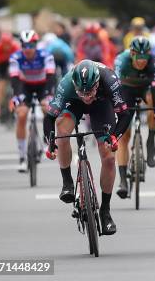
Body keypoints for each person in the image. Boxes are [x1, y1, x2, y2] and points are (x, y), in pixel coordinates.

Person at [43, 60, 132, 235]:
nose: (86, 96)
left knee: (108, 157)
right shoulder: (67, 83)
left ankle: (105, 211)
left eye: (90, 91)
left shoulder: (110, 80)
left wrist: (114, 137)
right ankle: (67, 182)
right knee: (61, 130)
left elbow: (124, 114)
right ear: (75, 85)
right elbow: (49, 117)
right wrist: (50, 142)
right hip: (73, 104)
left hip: (102, 105)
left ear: (97, 83)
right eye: (82, 92)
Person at [113, 36, 155, 198]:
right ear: (132, 54)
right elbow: (116, 86)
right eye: (138, 57)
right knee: (123, 136)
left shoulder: (154, 61)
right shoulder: (121, 60)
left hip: (146, 89)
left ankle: (150, 141)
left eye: (144, 57)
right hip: (126, 90)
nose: (142, 61)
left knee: (153, 103)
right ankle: (122, 180)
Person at [9, 30, 56, 172]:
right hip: (25, 86)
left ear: (36, 45)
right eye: (24, 45)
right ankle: (22, 157)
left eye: (31, 45)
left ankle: (46, 136)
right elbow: (15, 80)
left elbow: (51, 77)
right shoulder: (15, 57)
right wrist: (17, 96)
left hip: (43, 86)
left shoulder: (46, 55)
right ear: (21, 46)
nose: (27, 49)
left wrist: (48, 95)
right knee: (22, 114)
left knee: (47, 108)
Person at [0, 32, 20, 122]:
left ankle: (13, 109)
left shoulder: (15, 46)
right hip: (0, 66)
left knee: (15, 88)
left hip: (12, 65)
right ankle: (2, 108)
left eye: (8, 45)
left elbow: (20, 61)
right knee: (1, 88)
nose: (7, 47)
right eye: (5, 45)